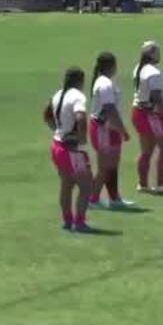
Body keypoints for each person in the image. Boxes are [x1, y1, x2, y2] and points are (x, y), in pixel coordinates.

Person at [44, 66, 98, 233]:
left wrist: (57, 129)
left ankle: (67, 221)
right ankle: (79, 222)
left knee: (66, 185)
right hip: (72, 149)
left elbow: (46, 115)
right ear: (80, 80)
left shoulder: (58, 94)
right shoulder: (77, 96)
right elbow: (80, 118)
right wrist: (81, 141)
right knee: (86, 186)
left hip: (57, 145)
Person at [131, 41, 163, 194]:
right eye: (157, 51)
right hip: (151, 114)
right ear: (152, 54)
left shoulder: (139, 68)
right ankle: (160, 183)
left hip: (138, 111)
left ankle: (143, 184)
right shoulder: (153, 73)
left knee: (147, 150)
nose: (160, 54)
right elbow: (157, 97)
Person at [89, 52, 135, 210]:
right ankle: (92, 199)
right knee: (105, 167)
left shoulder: (106, 82)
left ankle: (114, 198)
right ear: (111, 66)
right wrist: (123, 130)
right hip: (104, 129)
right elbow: (109, 109)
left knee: (113, 166)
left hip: (111, 128)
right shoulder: (104, 84)